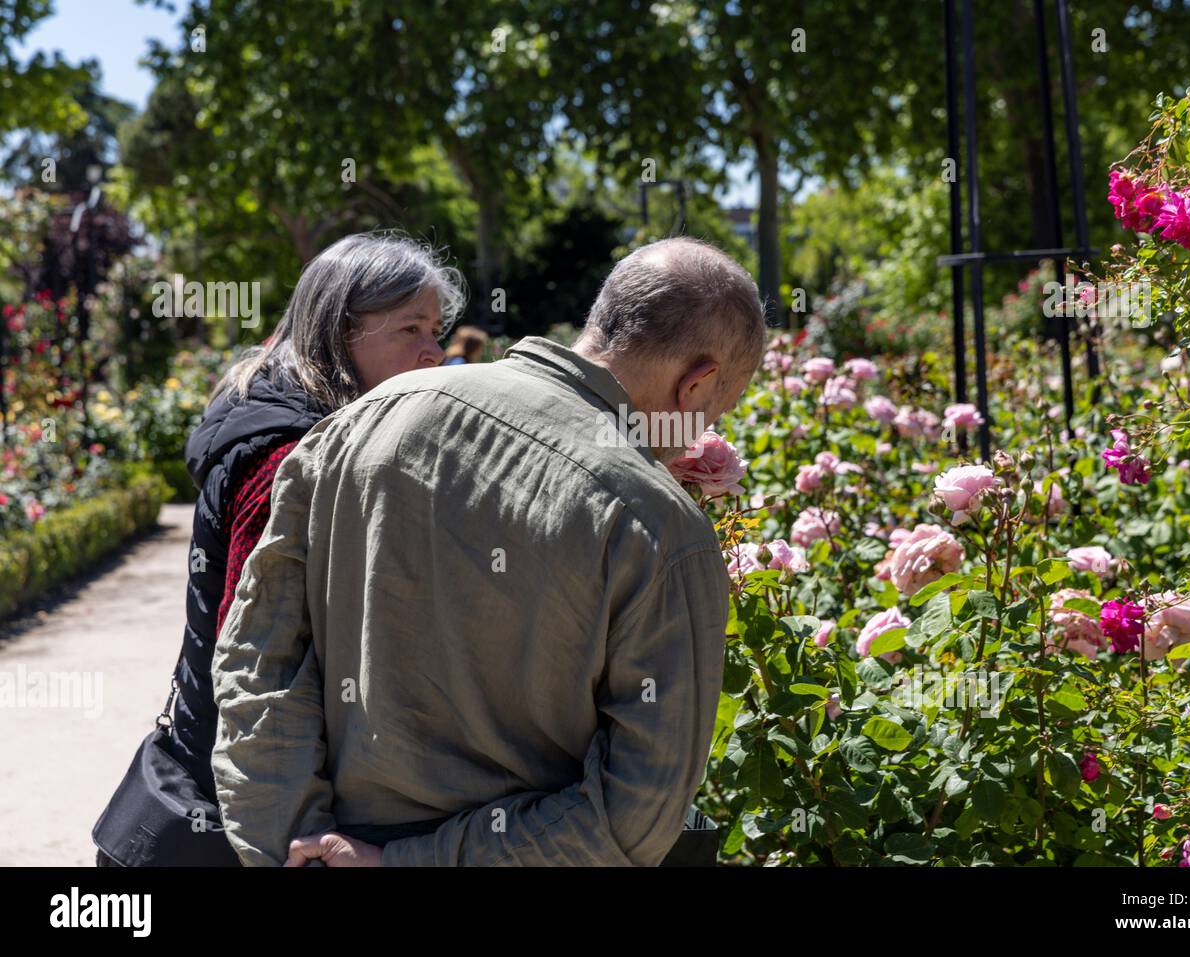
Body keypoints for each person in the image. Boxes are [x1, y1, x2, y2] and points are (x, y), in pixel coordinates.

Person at [211, 236, 767, 866]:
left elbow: (259, 661)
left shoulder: (361, 422)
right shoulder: (662, 529)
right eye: (716, 409)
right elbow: (633, 818)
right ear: (698, 385)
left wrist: (295, 845)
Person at [94, 231, 465, 866]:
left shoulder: (314, 424)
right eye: (411, 329)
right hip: (248, 801)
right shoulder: (285, 455)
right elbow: (260, 662)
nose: (435, 352)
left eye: (436, 329)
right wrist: (294, 827)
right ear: (341, 330)